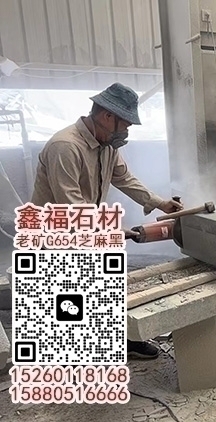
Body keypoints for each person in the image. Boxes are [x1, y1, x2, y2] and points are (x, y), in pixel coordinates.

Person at [31, 82, 183, 359]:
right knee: (70, 297)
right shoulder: (65, 147)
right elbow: (71, 204)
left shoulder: (106, 145)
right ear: (106, 116)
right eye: (125, 124)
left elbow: (124, 178)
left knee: (106, 284)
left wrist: (160, 203)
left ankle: (122, 340)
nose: (126, 131)